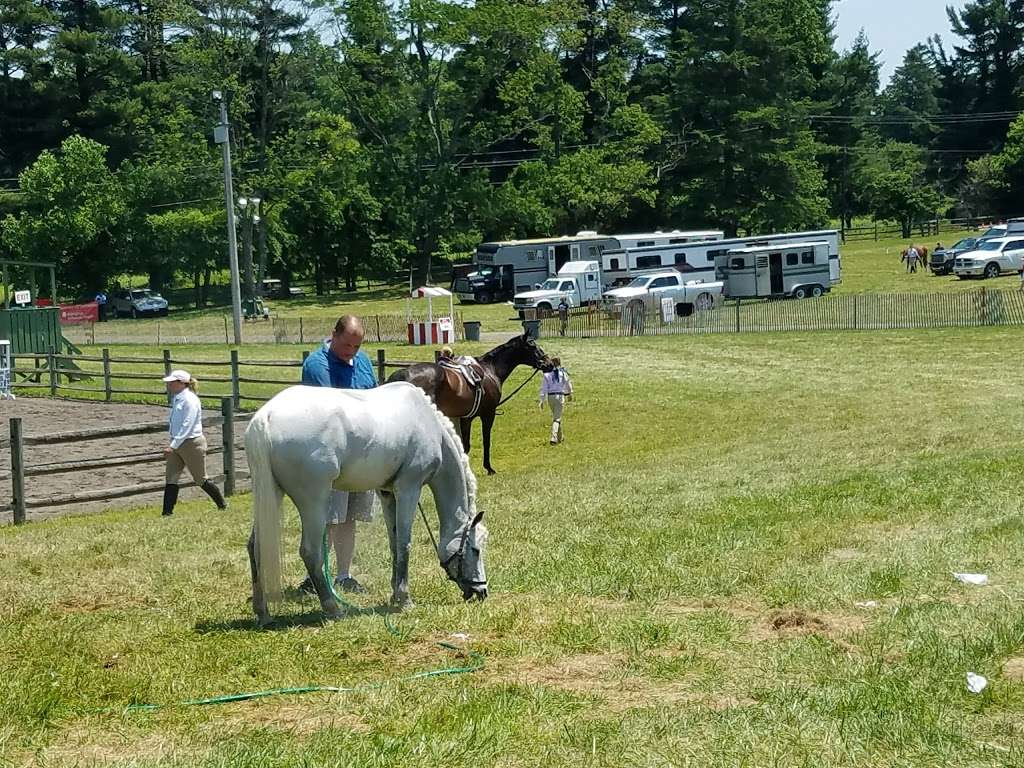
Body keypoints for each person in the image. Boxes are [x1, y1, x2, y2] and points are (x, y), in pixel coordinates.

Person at [297, 315, 378, 594]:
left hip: (360, 456)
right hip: (330, 455)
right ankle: (316, 575)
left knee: (349, 516)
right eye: (346, 345)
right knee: (329, 517)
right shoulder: (317, 365)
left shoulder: (364, 362)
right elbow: (334, 409)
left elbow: (374, 399)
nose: (350, 352)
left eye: (356, 347)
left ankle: (344, 575)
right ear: (333, 335)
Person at [161, 369, 227, 516]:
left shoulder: (190, 400)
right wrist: (174, 443)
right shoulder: (178, 398)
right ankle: (166, 513)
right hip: (177, 443)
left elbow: (187, 425)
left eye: (172, 382)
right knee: (171, 478)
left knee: (200, 479)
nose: (169, 385)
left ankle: (222, 504)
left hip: (191, 443)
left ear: (181, 383)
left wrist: (173, 446)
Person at [538, 356, 573, 445]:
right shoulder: (563, 373)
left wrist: (542, 400)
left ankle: (560, 437)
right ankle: (553, 437)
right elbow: (568, 384)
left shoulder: (547, 375)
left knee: (556, 417)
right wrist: (569, 393)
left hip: (550, 397)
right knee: (557, 418)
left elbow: (543, 388)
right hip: (560, 396)